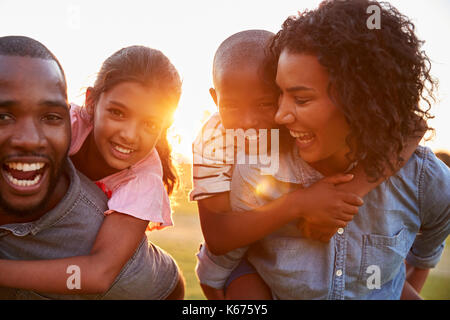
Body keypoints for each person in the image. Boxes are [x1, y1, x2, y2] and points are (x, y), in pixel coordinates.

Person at [200, 0, 449, 299]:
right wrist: (298, 204)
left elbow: (412, 126)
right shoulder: (252, 163)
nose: (279, 116)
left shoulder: (424, 179)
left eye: (300, 99)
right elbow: (218, 254)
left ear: (360, 100)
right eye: (280, 95)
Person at [0, 36, 184, 299]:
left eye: (150, 124)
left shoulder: (144, 179)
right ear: (91, 102)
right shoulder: (68, 125)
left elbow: (99, 274)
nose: (130, 134)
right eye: (118, 113)